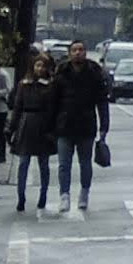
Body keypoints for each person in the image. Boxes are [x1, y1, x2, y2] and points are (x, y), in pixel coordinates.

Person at [54, 41, 110, 213]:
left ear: (85, 52)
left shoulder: (94, 73)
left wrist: (104, 126)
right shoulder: (62, 73)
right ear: (70, 53)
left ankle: (84, 193)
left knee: (85, 163)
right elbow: (53, 101)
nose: (78, 53)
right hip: (64, 125)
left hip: (86, 125)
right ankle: (64, 195)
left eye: (81, 50)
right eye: (74, 50)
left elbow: (102, 101)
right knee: (64, 164)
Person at [9, 53, 60, 212]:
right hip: (26, 123)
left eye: (43, 66)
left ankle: (43, 195)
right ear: (33, 67)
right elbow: (17, 106)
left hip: (44, 125)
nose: (40, 68)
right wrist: (11, 128)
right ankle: (21, 197)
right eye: (37, 65)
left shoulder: (50, 85)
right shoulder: (24, 84)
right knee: (23, 162)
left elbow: (54, 109)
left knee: (43, 164)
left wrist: (53, 131)